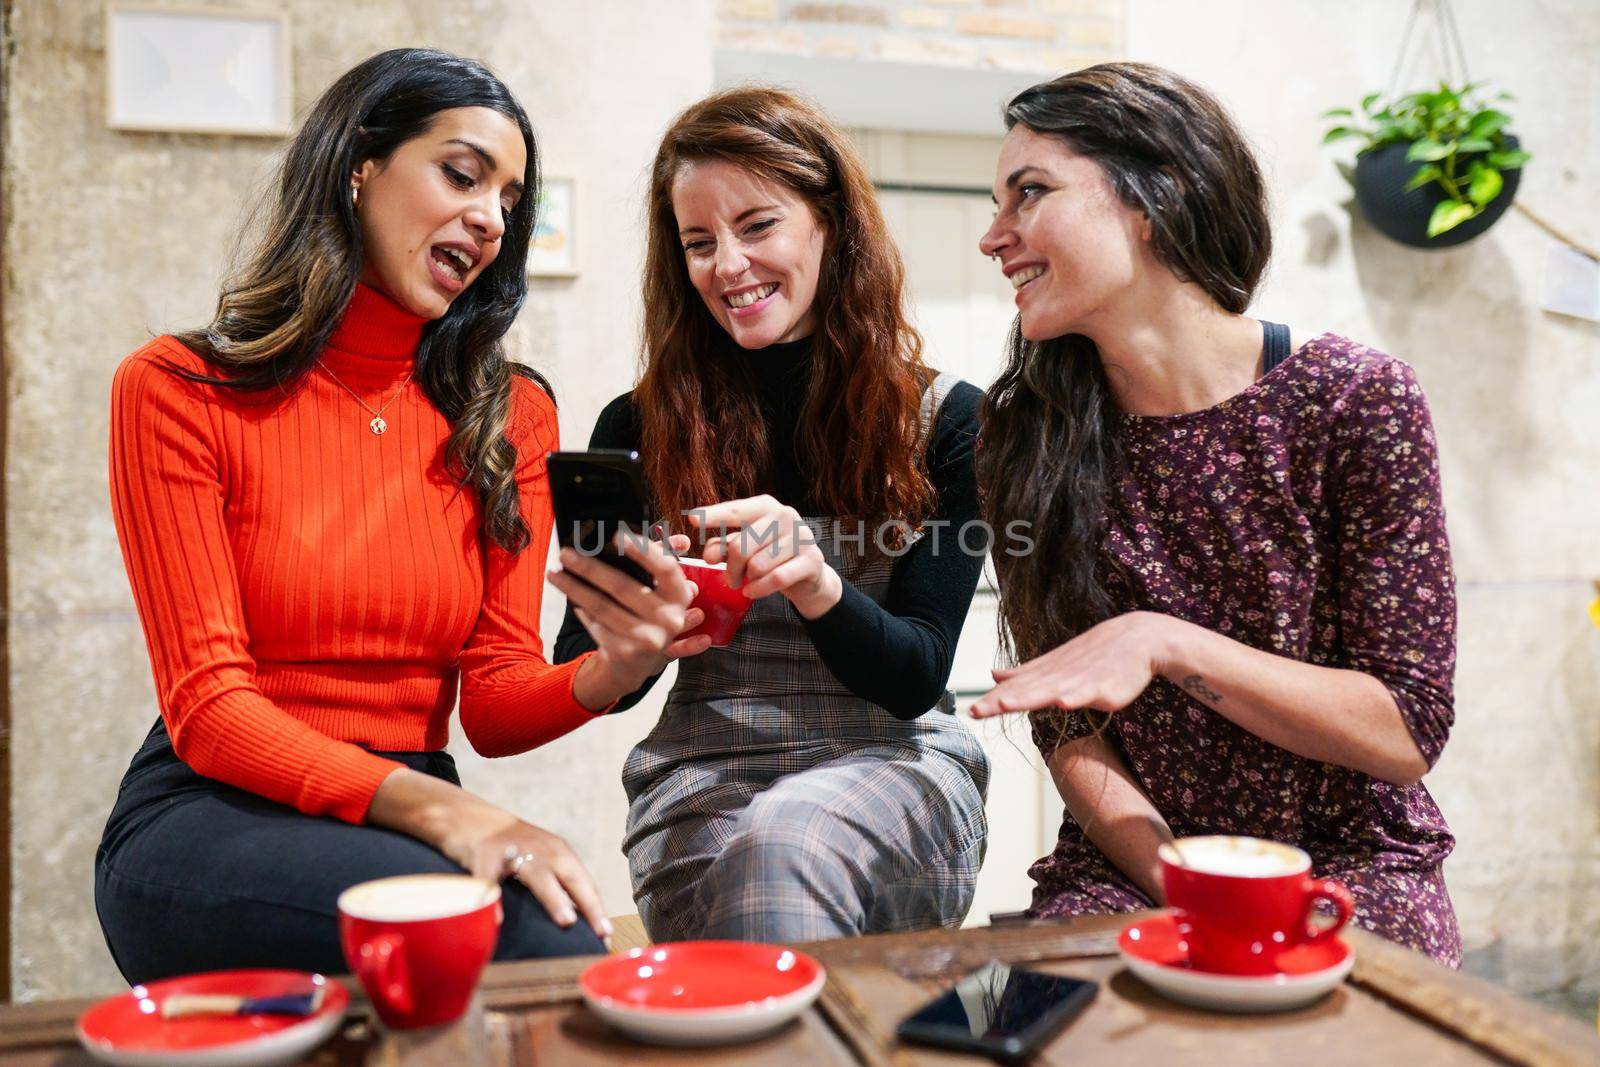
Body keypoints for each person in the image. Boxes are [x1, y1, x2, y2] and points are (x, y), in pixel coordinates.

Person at [97, 48, 615, 984]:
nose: (491, 218)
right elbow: (211, 709)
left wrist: (628, 659)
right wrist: (450, 812)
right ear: (359, 167)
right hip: (210, 809)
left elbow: (494, 698)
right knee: (542, 943)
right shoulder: (177, 389)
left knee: (545, 940)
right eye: (462, 174)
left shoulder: (511, 415)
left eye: (508, 199)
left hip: (400, 805)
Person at [970, 62, 1461, 964]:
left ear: (1158, 195)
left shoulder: (1356, 401)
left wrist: (1166, 641)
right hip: (1133, 868)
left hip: (1353, 870)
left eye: (1028, 194)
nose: (993, 237)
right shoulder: (1022, 434)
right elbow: (1069, 724)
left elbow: (1403, 730)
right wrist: (1183, 885)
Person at [550, 87, 991, 943]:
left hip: (896, 770)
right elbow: (589, 676)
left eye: (757, 227)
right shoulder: (637, 428)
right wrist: (634, 637)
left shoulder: (947, 420)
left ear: (829, 224)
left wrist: (820, 581)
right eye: (699, 243)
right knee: (763, 862)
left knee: (786, 842)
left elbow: (916, 675)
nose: (728, 266)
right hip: (701, 778)